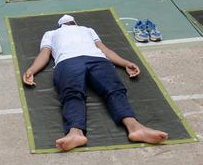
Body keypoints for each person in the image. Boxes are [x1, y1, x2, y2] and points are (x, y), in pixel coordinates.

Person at [22, 14, 168, 151]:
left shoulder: (87, 30)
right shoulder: (51, 33)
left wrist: (125, 63)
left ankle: (134, 128)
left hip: (85, 60)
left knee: (110, 90)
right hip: (74, 61)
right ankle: (76, 132)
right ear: (63, 25)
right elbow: (45, 54)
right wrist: (32, 70)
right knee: (84, 92)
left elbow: (103, 49)